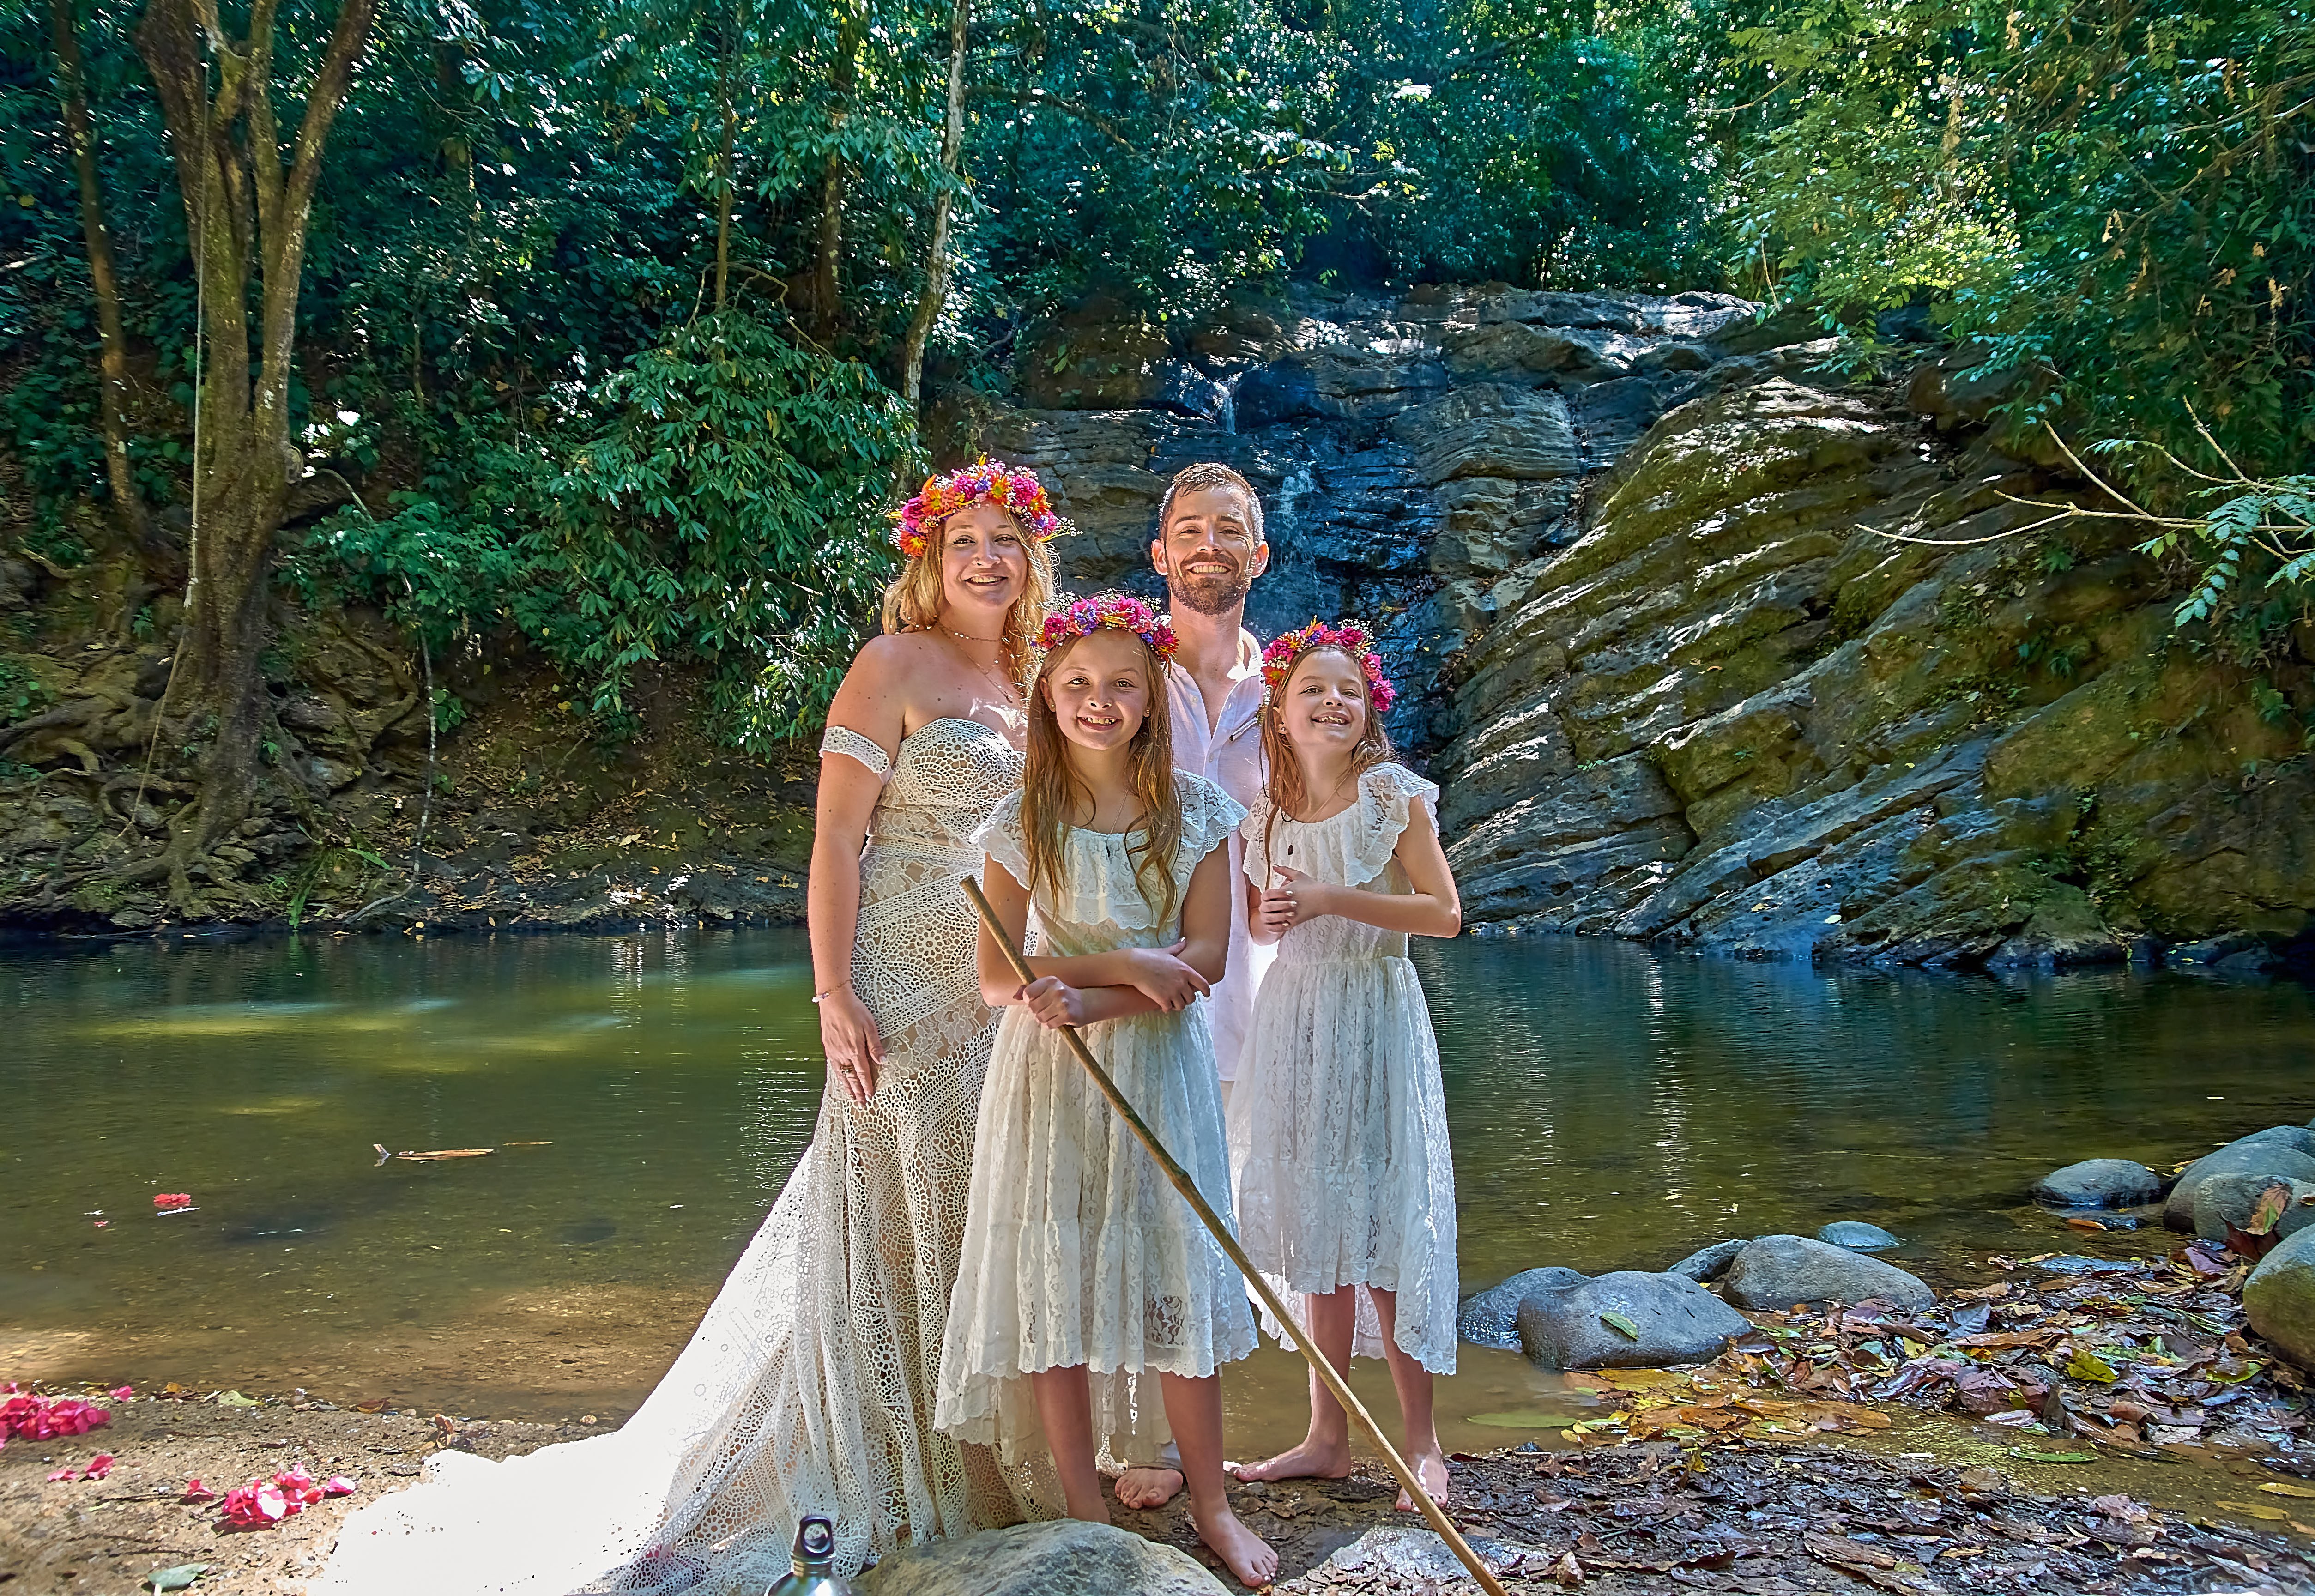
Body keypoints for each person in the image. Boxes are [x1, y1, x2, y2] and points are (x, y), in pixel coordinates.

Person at [314, 460, 1061, 1594]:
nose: (987, 558)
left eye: (1006, 538)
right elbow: (834, 841)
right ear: (929, 556)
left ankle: (1005, 1460)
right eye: (965, 539)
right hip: (903, 978)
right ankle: (904, 1472)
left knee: (988, 1211)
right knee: (907, 1211)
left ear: (1032, 556)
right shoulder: (889, 665)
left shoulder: (1035, 670)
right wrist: (831, 993)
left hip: (1004, 978)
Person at [936, 593, 1279, 1590]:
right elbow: (1000, 977)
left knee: (1172, 1274)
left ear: (1151, 695)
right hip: (1048, 1077)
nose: (1099, 700)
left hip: (1157, 1070)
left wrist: (1104, 997)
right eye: (1077, 683)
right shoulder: (1021, 818)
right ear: (1046, 693)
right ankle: (1084, 1507)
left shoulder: (1198, 811)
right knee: (1056, 1274)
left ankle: (1209, 1499)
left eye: (1122, 683)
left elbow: (1206, 958)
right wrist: (1128, 964)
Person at [1227, 620, 1463, 1512]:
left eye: (1348, 693)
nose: (1331, 702)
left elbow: (1441, 915)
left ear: (1367, 716)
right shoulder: (1267, 817)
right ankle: (1326, 1437)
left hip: (1373, 1008)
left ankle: (1423, 1445)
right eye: (1311, 691)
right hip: (1297, 1016)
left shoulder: (1391, 795)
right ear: (1279, 715)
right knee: (1318, 1226)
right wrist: (1279, 920)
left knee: (1383, 1224)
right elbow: (1258, 926)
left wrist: (1328, 898)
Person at [1117, 460, 1272, 1511]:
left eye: (1229, 528)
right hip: (1129, 983)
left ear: (1257, 556)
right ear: (1159, 556)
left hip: (1258, 996)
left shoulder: (1300, 685)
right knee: (1121, 1208)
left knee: (1220, 1218)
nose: (1208, 543)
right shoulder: (1115, 675)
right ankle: (1123, 1437)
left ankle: (1216, 1442)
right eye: (1189, 529)